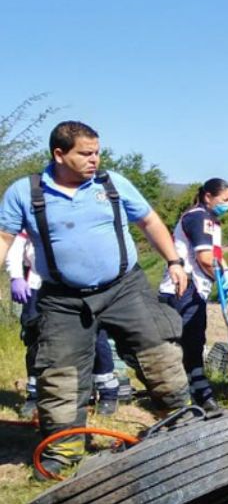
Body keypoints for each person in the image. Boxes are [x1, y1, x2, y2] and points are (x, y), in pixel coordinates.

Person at [0, 121, 190, 477]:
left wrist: (174, 262)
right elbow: (4, 238)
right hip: (62, 300)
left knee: (159, 354)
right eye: (85, 153)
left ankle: (182, 426)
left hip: (124, 288)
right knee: (60, 373)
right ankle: (63, 451)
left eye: (97, 152)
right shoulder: (25, 192)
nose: (95, 159)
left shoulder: (112, 184)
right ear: (59, 154)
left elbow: (149, 221)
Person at [7, 232, 122, 417]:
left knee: (94, 334)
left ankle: (107, 391)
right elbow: (15, 245)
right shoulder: (32, 215)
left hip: (82, 283)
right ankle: (35, 395)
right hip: (38, 284)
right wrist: (16, 277)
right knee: (35, 337)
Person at [159, 178, 228, 413]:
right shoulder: (199, 217)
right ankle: (199, 396)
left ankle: (191, 392)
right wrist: (219, 277)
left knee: (191, 341)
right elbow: (204, 259)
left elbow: (215, 254)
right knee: (191, 343)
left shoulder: (210, 220)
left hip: (192, 287)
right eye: (225, 199)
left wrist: (226, 270)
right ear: (208, 196)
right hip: (184, 287)